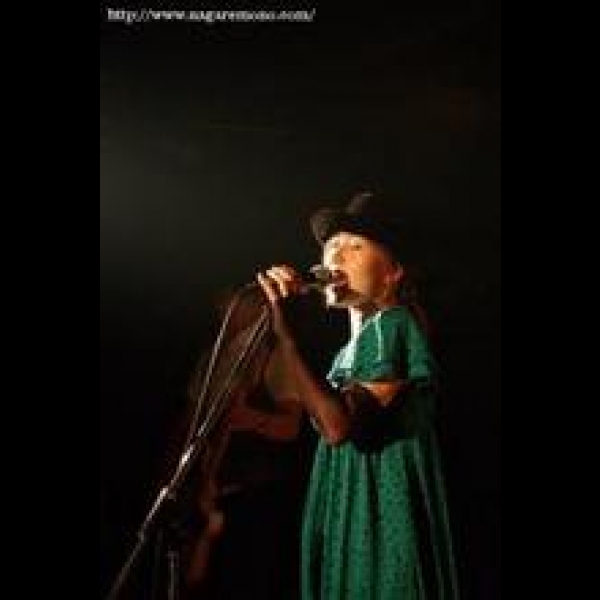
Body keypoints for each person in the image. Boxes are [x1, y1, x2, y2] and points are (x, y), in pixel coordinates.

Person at [256, 191, 460, 599]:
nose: (336, 254)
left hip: (381, 517)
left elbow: (338, 426)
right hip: (352, 508)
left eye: (355, 246)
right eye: (332, 246)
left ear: (393, 272)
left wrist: (287, 337)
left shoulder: (394, 325)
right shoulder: (350, 352)